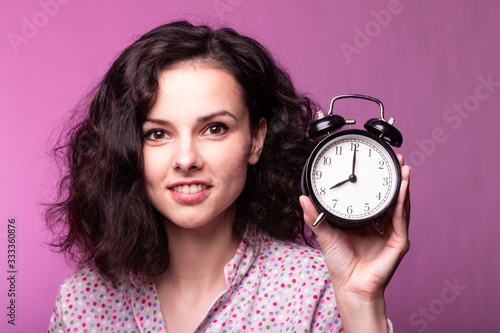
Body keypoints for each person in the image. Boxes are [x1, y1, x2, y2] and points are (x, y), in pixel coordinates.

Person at [46, 20, 411, 333]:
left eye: (215, 128)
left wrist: (361, 301)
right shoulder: (83, 303)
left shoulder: (320, 291)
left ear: (256, 140)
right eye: (157, 134)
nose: (186, 159)